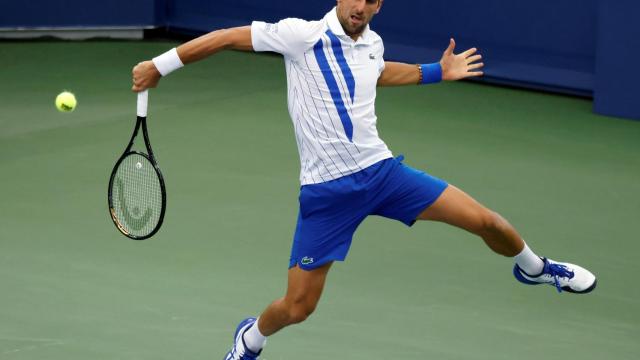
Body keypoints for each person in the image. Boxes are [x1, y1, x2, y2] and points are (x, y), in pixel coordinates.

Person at [132, 1, 597, 359]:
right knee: (297, 308)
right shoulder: (301, 36)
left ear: (378, 6)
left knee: (487, 221)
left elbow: (375, 74)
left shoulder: (371, 45)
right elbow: (225, 37)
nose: (359, 5)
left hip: (383, 174)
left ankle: (536, 269)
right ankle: (250, 338)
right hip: (327, 195)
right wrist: (160, 65)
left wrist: (439, 71)